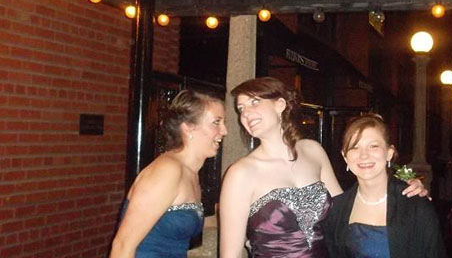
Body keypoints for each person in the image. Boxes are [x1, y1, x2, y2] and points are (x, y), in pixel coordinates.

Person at [219, 77, 427, 258]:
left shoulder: (313, 151)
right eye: (241, 109)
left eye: (254, 102)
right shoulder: (240, 173)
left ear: (280, 104)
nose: (246, 113)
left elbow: (346, 208)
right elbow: (231, 254)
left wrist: (399, 190)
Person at [109, 90, 228, 258]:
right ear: (188, 128)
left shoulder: (191, 172)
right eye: (216, 122)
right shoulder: (167, 171)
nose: (224, 131)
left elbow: (178, 220)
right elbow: (122, 246)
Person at [324, 114, 447, 258]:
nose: (364, 155)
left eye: (373, 146)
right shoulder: (337, 209)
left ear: (389, 153)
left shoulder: (415, 205)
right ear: (345, 156)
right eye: (354, 147)